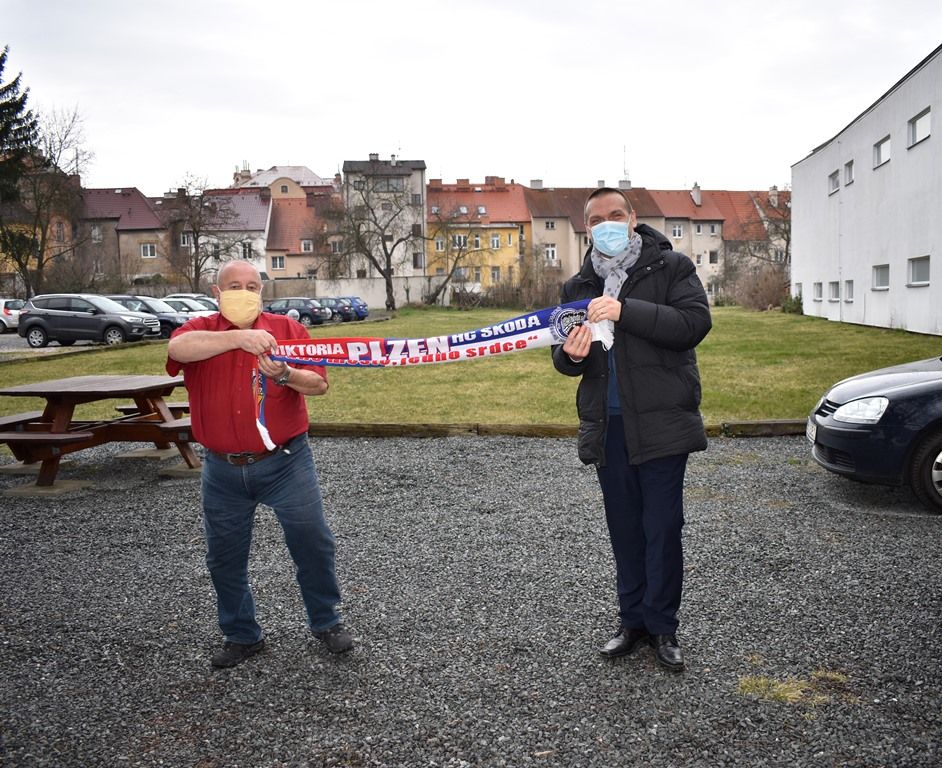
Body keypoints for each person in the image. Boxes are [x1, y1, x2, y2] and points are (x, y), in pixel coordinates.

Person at [553, 187, 711, 672]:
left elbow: (693, 324)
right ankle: (632, 622)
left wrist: (625, 310)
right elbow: (563, 357)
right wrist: (571, 355)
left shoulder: (672, 267)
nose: (607, 223)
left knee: (661, 527)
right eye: (597, 218)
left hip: (663, 421)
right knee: (624, 529)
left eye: (615, 215)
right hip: (610, 425)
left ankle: (663, 627)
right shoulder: (578, 286)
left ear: (632, 218)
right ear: (586, 228)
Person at [167, 260, 353, 668]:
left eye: (252, 285)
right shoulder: (199, 330)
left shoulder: (288, 330)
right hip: (222, 469)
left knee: (313, 542)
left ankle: (326, 622)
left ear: (262, 292)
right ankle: (242, 634)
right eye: (234, 285)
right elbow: (177, 350)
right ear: (216, 293)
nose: (244, 291)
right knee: (224, 556)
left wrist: (285, 374)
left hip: (286, 462)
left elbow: (319, 383)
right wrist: (240, 340)